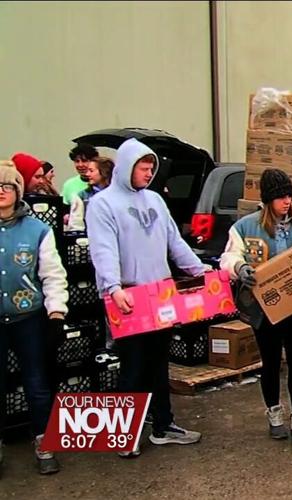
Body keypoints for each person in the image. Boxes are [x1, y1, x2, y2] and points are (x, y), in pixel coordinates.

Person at [86, 138, 207, 456]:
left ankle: (164, 425)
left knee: (158, 364)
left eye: (152, 168)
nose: (149, 173)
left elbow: (174, 242)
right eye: (143, 167)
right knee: (133, 367)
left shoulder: (155, 200)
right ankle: (124, 434)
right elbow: (103, 250)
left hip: (161, 294)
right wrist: (113, 288)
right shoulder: (103, 204)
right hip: (128, 296)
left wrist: (200, 271)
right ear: (128, 167)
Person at [220, 168, 292, 448]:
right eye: (280, 197)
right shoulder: (245, 227)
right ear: (267, 199)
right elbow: (228, 256)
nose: (286, 202)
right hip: (264, 310)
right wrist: (240, 267)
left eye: (289, 196)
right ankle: (274, 412)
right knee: (271, 362)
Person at [0, 164, 68, 475]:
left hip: (28, 319)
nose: (1, 192)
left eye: (7, 186)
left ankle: (43, 441)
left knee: (37, 383)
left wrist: (56, 313)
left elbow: (52, 274)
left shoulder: (37, 229)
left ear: (18, 191)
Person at [67, 156, 114, 232]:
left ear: (104, 172)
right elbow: (76, 226)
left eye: (91, 171)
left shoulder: (117, 196)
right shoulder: (81, 196)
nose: (87, 174)